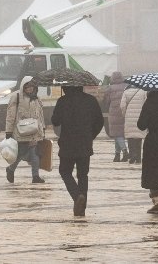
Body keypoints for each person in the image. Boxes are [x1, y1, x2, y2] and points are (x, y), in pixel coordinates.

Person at [50, 85, 104, 217]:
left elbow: (55, 121)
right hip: (85, 144)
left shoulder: (63, 101)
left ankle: (77, 196)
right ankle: (82, 208)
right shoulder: (90, 100)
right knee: (83, 175)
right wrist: (91, 135)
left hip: (67, 144)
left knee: (65, 171)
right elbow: (100, 121)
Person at [5, 77, 45, 184]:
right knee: (21, 153)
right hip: (21, 131)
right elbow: (10, 115)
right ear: (23, 86)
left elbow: (40, 115)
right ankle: (10, 169)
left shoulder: (37, 98)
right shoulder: (16, 97)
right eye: (27, 86)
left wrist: (43, 129)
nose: (29, 89)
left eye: (31, 86)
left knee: (35, 153)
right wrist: (8, 132)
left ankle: (35, 177)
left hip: (34, 131)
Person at [105, 71, 128, 162]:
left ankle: (125, 152)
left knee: (117, 134)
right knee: (118, 134)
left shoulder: (110, 88)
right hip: (123, 112)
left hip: (114, 112)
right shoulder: (125, 87)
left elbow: (107, 101)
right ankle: (117, 155)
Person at [121, 87, 148, 165]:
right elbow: (146, 103)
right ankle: (138, 158)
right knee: (138, 138)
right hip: (140, 117)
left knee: (130, 137)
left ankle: (132, 155)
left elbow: (122, 106)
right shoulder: (143, 92)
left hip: (129, 117)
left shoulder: (126, 92)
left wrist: (124, 114)